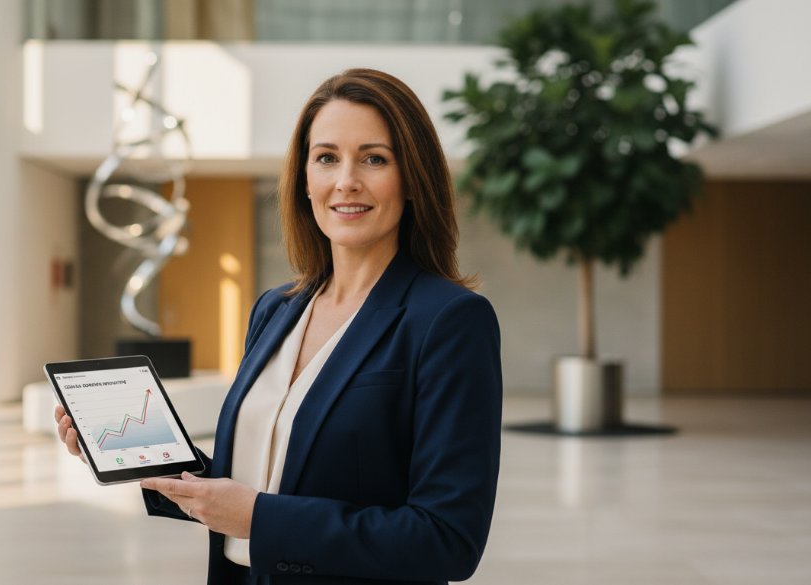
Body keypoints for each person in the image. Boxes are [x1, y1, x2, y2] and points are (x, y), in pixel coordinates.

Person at [55, 68, 502, 584]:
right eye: (327, 157)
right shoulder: (275, 309)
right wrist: (136, 459)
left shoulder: (448, 321)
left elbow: (447, 540)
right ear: (305, 180)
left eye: (374, 159)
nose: (346, 181)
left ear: (412, 179)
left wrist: (259, 519)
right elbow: (245, 485)